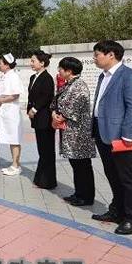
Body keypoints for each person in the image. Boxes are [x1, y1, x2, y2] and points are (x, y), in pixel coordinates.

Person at [91, 40, 132, 235]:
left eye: (97, 54)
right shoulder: (102, 76)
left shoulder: (129, 77)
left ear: (111, 54)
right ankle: (117, 210)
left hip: (122, 138)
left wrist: (127, 134)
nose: (95, 58)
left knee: (128, 178)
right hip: (103, 134)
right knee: (113, 175)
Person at [51, 57, 96, 206]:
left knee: (82, 165)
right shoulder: (67, 85)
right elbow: (55, 102)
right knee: (76, 164)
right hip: (69, 132)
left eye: (61, 69)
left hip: (79, 135)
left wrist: (59, 117)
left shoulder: (79, 86)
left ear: (69, 71)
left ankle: (86, 196)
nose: (59, 71)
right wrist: (54, 114)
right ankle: (79, 192)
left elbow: (73, 108)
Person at [27, 50, 57, 189]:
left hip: (44, 118)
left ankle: (48, 181)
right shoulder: (34, 77)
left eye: (33, 61)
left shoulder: (47, 78)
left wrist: (34, 109)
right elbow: (31, 96)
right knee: (42, 150)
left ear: (42, 63)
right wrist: (29, 108)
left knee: (47, 150)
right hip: (37, 119)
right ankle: (41, 179)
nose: (31, 63)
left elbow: (46, 97)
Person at [0, 54, 23, 176]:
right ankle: (14, 164)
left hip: (11, 112)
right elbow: (0, 93)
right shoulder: (4, 76)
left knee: (14, 138)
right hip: (4, 111)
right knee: (10, 138)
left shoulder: (13, 76)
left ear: (6, 64)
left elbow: (15, 95)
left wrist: (1, 100)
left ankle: (16, 165)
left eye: (0, 62)